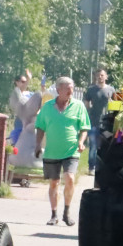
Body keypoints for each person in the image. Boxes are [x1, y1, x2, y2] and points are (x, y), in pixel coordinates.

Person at [34, 76, 89, 226]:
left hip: (71, 150)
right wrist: (37, 144)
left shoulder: (79, 106)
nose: (70, 91)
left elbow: (84, 127)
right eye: (67, 88)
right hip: (52, 152)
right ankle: (54, 214)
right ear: (58, 90)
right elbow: (40, 127)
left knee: (70, 178)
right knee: (54, 183)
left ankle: (67, 212)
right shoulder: (47, 107)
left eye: (72, 88)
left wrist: (81, 142)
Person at [83, 69, 115, 176]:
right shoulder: (91, 90)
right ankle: (91, 167)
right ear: (96, 77)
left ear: (106, 77)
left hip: (107, 123)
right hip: (94, 122)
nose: (100, 77)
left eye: (102, 75)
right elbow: (86, 104)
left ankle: (105, 167)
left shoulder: (111, 89)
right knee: (93, 146)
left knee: (107, 145)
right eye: (98, 75)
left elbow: (115, 104)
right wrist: (88, 113)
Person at [7, 72, 32, 145]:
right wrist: (29, 79)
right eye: (23, 82)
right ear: (17, 82)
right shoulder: (16, 92)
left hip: (28, 120)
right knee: (18, 142)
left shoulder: (27, 93)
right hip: (20, 120)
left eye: (25, 82)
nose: (25, 83)